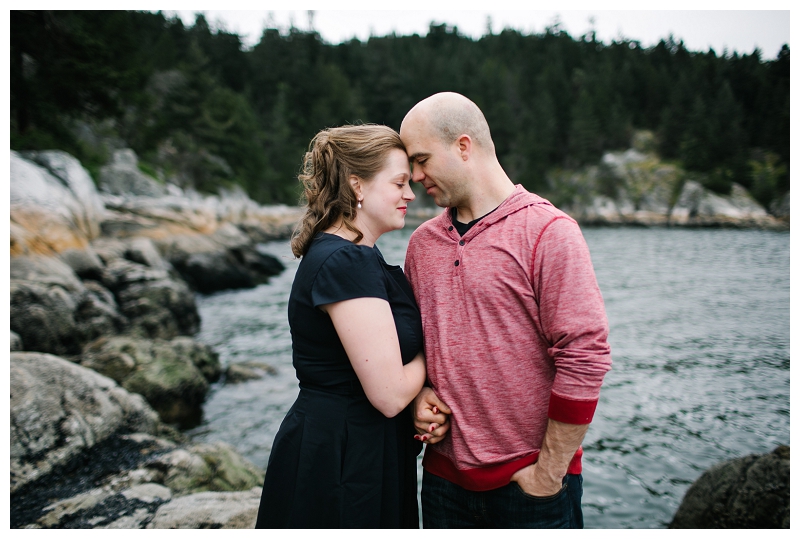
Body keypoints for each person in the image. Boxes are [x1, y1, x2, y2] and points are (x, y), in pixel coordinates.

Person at [399, 92, 613, 529]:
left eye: (422, 160)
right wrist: (419, 395)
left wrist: (548, 473)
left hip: (531, 488)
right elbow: (418, 344)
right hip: (442, 485)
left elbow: (585, 357)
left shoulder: (548, 232)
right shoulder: (422, 244)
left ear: (463, 146)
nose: (415, 176)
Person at [255, 124, 426, 528]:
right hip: (344, 459)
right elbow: (388, 395)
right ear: (357, 186)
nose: (410, 195)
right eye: (399, 182)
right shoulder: (346, 261)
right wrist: (431, 356)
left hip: (347, 446)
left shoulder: (347, 254)